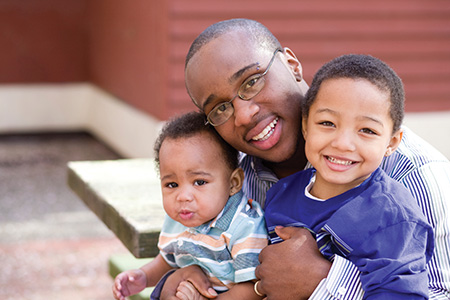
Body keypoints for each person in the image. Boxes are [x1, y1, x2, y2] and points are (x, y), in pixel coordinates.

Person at [156, 18, 450, 300]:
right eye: (220, 109)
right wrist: (178, 279)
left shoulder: (414, 175)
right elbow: (208, 246)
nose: (245, 115)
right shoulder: (235, 176)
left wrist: (323, 283)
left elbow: (439, 292)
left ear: (292, 65)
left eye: (252, 82)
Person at [264, 54, 434, 299]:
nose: (343, 144)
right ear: (305, 126)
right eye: (327, 123)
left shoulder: (393, 217)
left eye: (367, 130)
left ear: (392, 142)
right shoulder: (282, 192)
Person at [112, 111, 268, 300]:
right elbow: (169, 260)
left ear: (233, 182)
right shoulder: (179, 219)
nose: (183, 197)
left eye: (199, 182)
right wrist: (143, 277)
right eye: (172, 185)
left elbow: (253, 288)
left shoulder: (243, 225)